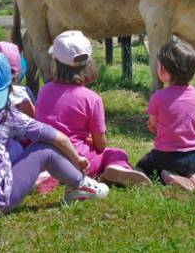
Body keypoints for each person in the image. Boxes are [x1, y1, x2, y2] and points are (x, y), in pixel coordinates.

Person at [0, 51, 109, 214]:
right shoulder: (10, 117)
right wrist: (77, 158)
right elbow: (59, 138)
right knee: (44, 147)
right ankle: (80, 183)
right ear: (10, 88)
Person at [35, 30, 151, 189]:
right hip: (77, 158)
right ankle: (116, 167)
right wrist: (91, 142)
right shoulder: (92, 98)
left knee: (54, 161)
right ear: (89, 63)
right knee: (115, 153)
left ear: (55, 60)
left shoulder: (44, 90)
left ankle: (49, 175)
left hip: (43, 153)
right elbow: (100, 144)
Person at [136, 39, 195, 191]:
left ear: (164, 70)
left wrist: (154, 127)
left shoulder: (158, 97)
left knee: (143, 165)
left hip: (167, 157)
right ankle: (194, 174)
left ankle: (169, 174)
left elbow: (153, 124)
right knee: (187, 166)